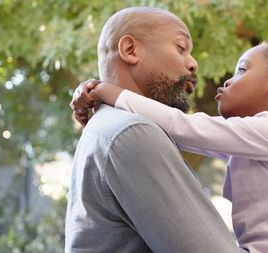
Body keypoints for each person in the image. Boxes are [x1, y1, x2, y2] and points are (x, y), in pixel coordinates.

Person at [73, 42, 268, 252]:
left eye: (242, 70)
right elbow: (172, 134)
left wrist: (106, 92)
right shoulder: (266, 138)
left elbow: (181, 127)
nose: (227, 80)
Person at [66, 6, 240, 253]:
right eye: (180, 48)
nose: (193, 64)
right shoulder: (132, 132)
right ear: (130, 50)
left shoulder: (107, 126)